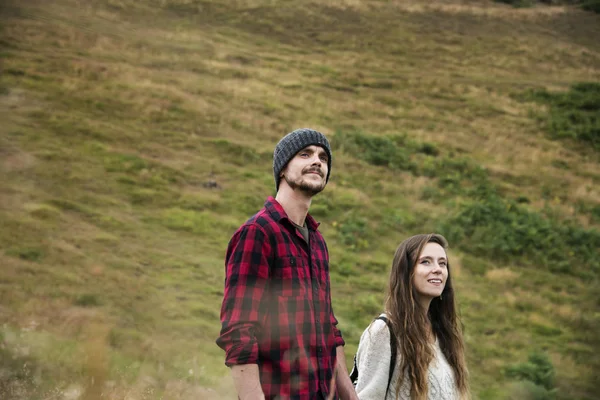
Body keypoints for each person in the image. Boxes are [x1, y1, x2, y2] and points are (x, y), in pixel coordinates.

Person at [216, 128, 358, 400]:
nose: (317, 161)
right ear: (282, 169)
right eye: (305, 154)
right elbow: (238, 332)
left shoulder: (317, 242)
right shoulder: (258, 233)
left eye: (323, 157)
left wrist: (350, 396)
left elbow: (329, 328)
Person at [354, 234, 470, 400]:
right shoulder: (384, 332)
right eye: (425, 261)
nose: (437, 269)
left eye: (442, 263)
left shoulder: (444, 333)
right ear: (406, 271)